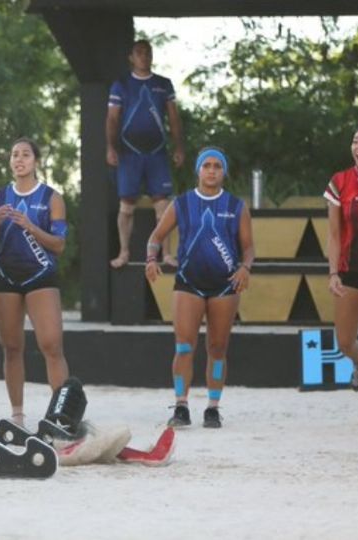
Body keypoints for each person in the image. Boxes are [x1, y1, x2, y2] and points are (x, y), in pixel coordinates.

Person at [145, 147, 253, 429]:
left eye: (218, 166)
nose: (212, 170)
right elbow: (155, 237)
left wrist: (245, 267)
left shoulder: (235, 206)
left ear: (224, 171)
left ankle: (213, 408)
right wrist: (151, 258)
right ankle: (181, 406)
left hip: (224, 286)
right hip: (188, 283)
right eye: (207, 165)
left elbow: (249, 247)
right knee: (184, 346)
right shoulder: (182, 203)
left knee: (218, 348)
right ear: (198, 170)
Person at [0, 138, 69, 426]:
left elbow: (59, 245)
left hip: (41, 276)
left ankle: (61, 415)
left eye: (26, 155)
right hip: (4, 277)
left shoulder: (52, 198)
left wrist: (30, 226)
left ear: (36, 161)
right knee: (12, 347)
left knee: (52, 345)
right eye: (15, 155)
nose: (19, 159)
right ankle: (17, 415)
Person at [106, 39, 185, 269]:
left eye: (147, 52)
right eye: (139, 53)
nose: (144, 56)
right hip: (129, 153)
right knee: (127, 205)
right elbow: (112, 118)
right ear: (131, 57)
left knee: (163, 207)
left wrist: (179, 147)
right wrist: (110, 147)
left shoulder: (163, 84)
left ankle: (167, 254)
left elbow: (173, 118)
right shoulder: (121, 84)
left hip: (157, 153)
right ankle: (124, 253)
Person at [324, 125, 358, 391]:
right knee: (344, 341)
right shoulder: (339, 181)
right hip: (349, 268)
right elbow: (334, 234)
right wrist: (333, 273)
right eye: (356, 142)